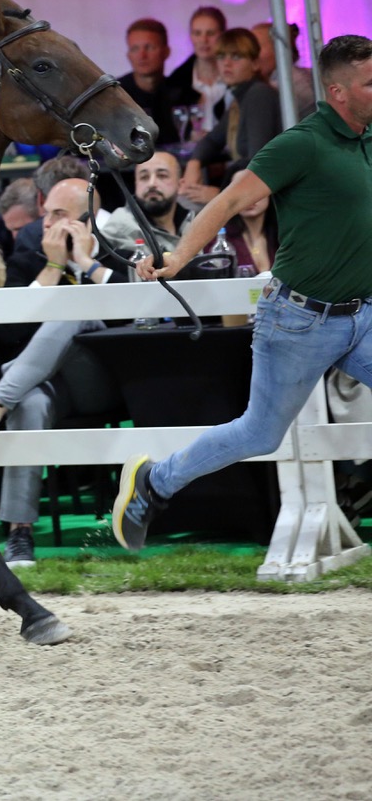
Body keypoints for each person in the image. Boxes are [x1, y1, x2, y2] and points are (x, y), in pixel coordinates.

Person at [114, 35, 372, 551]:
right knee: (260, 433)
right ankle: (154, 482)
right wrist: (178, 258)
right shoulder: (303, 143)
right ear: (339, 91)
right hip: (299, 320)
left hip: (362, 314)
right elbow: (229, 201)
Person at [0, 178, 125, 566]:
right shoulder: (28, 261)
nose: (46, 223)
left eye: (57, 215)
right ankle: (20, 534)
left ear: (85, 221)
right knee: (29, 404)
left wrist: (86, 265)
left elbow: (136, 314)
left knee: (74, 309)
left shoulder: (116, 257)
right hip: (45, 386)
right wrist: (53, 267)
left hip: (102, 381)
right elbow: (9, 334)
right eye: (46, 213)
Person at [180, 28, 283, 206]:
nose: (226, 64)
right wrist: (194, 164)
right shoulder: (241, 97)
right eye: (221, 57)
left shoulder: (258, 94)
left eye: (236, 57)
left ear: (255, 63)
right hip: (249, 194)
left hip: (265, 203)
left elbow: (258, 162)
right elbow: (212, 140)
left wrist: (220, 194)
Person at [98, 150, 195, 256]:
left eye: (162, 176)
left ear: (180, 185)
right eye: (144, 177)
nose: (151, 184)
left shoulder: (193, 220)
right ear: (136, 184)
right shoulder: (122, 225)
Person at [117, 18, 187, 146]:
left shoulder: (182, 93)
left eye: (149, 47)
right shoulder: (115, 95)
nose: (142, 56)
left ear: (166, 52)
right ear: (128, 55)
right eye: (135, 49)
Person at [168, 6, 230, 136]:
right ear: (190, 37)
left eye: (211, 33)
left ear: (224, 35)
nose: (203, 40)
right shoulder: (175, 83)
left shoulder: (237, 77)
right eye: (197, 33)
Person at [207, 168, 276, 276]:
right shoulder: (217, 241)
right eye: (240, 190)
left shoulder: (286, 235)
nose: (249, 197)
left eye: (255, 187)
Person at [252, 21, 317, 120]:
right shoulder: (281, 80)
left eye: (256, 48)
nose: (251, 55)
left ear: (278, 49)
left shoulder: (294, 83)